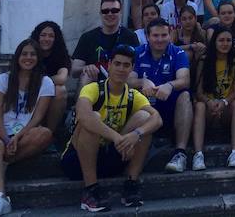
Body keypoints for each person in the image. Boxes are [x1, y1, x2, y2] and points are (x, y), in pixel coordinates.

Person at [61, 45, 162, 210]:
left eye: (126, 65)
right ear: (109, 65)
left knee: (146, 120)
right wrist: (117, 137)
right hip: (77, 160)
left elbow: (157, 119)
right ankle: (90, 190)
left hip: (113, 155)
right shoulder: (92, 89)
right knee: (92, 118)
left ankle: (131, 183)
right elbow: (83, 116)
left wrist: (136, 133)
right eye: (117, 64)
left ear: (132, 68)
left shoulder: (133, 95)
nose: (121, 69)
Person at [0, 39, 54, 216]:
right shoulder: (3, 79)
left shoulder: (45, 82)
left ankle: (1, 161)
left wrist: (18, 137)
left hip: (23, 135)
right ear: (18, 57)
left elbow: (37, 117)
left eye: (33, 54)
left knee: (44, 134)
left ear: (38, 58)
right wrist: (6, 138)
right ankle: (0, 198)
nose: (28, 58)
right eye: (24, 54)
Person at [128, 19, 193, 174]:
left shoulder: (178, 53)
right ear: (147, 36)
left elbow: (185, 80)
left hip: (169, 107)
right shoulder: (137, 53)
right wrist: (142, 81)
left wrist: (169, 85)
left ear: (170, 35)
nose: (160, 39)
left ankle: (180, 153)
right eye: (155, 35)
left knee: (185, 96)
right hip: (144, 108)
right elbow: (128, 80)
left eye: (164, 35)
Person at [191, 26, 235, 171]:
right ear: (214, 42)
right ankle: (198, 154)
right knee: (199, 106)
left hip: (226, 109)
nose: (225, 43)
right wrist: (209, 102)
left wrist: (224, 102)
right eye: (221, 40)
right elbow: (198, 90)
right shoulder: (204, 60)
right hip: (208, 110)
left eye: (228, 40)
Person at [71, 0, 140, 88]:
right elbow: (74, 70)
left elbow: (136, 66)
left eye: (114, 10)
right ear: (100, 13)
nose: (110, 14)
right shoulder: (87, 37)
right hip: (95, 81)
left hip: (121, 80)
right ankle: (82, 102)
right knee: (86, 75)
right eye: (105, 11)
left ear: (120, 13)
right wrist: (86, 68)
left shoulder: (130, 36)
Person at [29, 21, 71, 134]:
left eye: (51, 36)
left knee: (60, 90)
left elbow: (62, 78)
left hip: (48, 97)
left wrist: (39, 82)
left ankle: (49, 134)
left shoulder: (61, 55)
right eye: (43, 35)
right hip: (28, 95)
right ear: (37, 36)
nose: (46, 39)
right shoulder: (29, 53)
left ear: (56, 39)